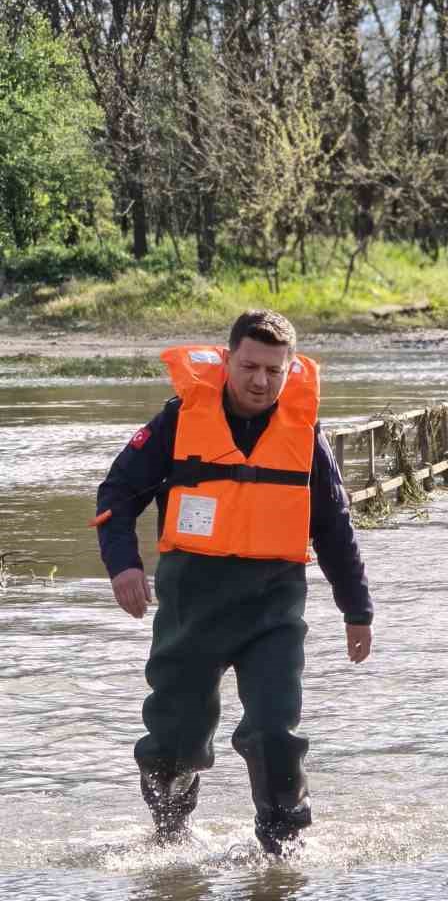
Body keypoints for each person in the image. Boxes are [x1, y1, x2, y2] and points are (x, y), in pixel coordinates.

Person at [94, 308, 374, 856]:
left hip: (273, 607)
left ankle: (283, 849)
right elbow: (117, 494)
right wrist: (123, 564)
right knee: (174, 737)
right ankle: (170, 831)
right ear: (227, 361)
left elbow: (335, 527)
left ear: (289, 370)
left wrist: (356, 609)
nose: (261, 381)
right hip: (192, 603)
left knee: (274, 732)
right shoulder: (179, 419)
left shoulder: (305, 433)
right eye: (250, 366)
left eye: (274, 370)